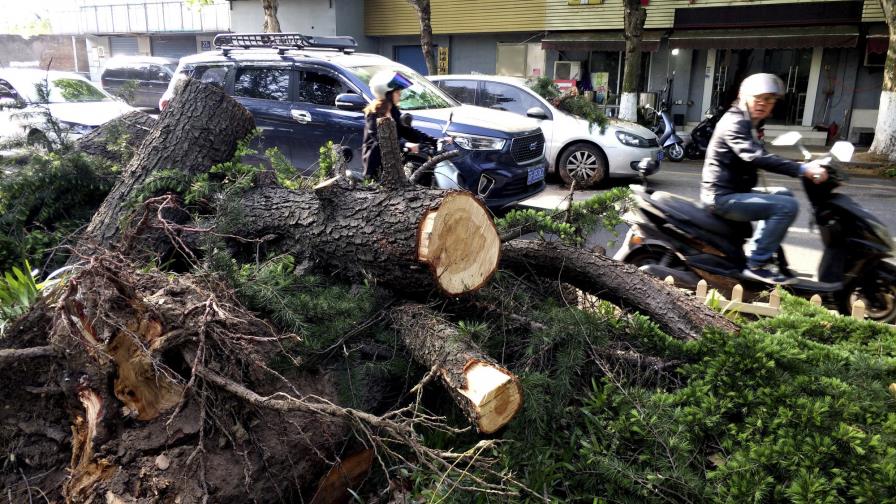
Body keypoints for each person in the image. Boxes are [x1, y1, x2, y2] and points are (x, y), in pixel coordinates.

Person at [701, 73, 829, 284]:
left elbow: (760, 155)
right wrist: (801, 169)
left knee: (783, 194)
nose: (763, 103)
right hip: (721, 197)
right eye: (757, 97)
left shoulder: (749, 121)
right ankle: (757, 264)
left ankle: (761, 248)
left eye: (769, 99)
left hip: (734, 191)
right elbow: (755, 156)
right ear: (743, 96)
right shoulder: (735, 122)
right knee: (786, 207)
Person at [361, 70, 438, 180]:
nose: (400, 94)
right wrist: (406, 145)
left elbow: (408, 131)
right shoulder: (373, 113)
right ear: (387, 94)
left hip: (393, 161)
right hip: (376, 163)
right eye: (397, 92)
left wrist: (433, 140)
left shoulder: (394, 111)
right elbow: (380, 138)